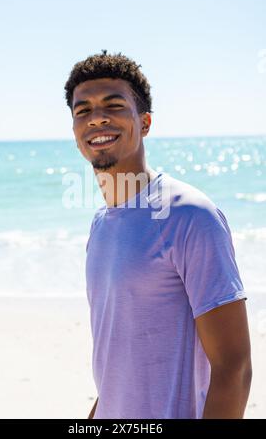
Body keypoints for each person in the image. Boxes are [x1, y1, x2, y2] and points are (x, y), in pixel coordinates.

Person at [64, 50, 252, 419]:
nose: (96, 118)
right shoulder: (101, 225)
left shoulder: (189, 215)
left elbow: (235, 367)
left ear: (145, 122)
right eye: (82, 110)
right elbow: (117, 366)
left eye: (114, 105)